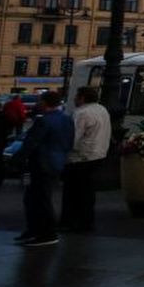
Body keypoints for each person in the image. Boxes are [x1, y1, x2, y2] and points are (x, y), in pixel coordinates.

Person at [14, 90, 73, 247]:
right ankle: (36, 231)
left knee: (38, 199)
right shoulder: (66, 119)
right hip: (57, 162)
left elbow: (31, 142)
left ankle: (45, 233)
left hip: (41, 163)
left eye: (40, 100)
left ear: (45, 102)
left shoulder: (44, 120)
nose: (37, 103)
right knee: (39, 198)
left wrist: (18, 158)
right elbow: (69, 141)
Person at [62, 86, 111, 233]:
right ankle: (87, 220)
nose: (74, 99)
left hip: (80, 157)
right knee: (87, 191)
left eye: (76, 96)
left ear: (82, 98)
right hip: (98, 154)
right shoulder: (102, 109)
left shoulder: (81, 113)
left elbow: (74, 137)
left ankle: (72, 221)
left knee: (73, 192)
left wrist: (64, 151)